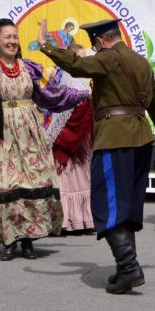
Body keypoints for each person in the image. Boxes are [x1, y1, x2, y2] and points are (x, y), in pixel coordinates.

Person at [38, 18, 155, 294]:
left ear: (99, 41)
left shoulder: (107, 58)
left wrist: (46, 47)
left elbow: (76, 65)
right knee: (127, 203)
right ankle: (125, 268)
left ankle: (129, 266)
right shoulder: (141, 61)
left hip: (114, 138)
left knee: (106, 204)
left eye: (93, 44)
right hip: (141, 138)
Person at [0, 18, 89, 261]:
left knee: (31, 182)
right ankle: (10, 239)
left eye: (15, 37)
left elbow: (54, 94)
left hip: (29, 134)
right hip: (1, 135)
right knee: (5, 184)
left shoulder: (29, 67)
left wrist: (83, 93)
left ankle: (29, 238)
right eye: (7, 37)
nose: (12, 41)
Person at [44, 43, 94, 234]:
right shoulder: (72, 85)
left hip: (81, 141)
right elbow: (64, 116)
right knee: (69, 179)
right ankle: (70, 220)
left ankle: (81, 220)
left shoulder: (82, 84)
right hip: (71, 140)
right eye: (78, 58)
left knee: (80, 178)